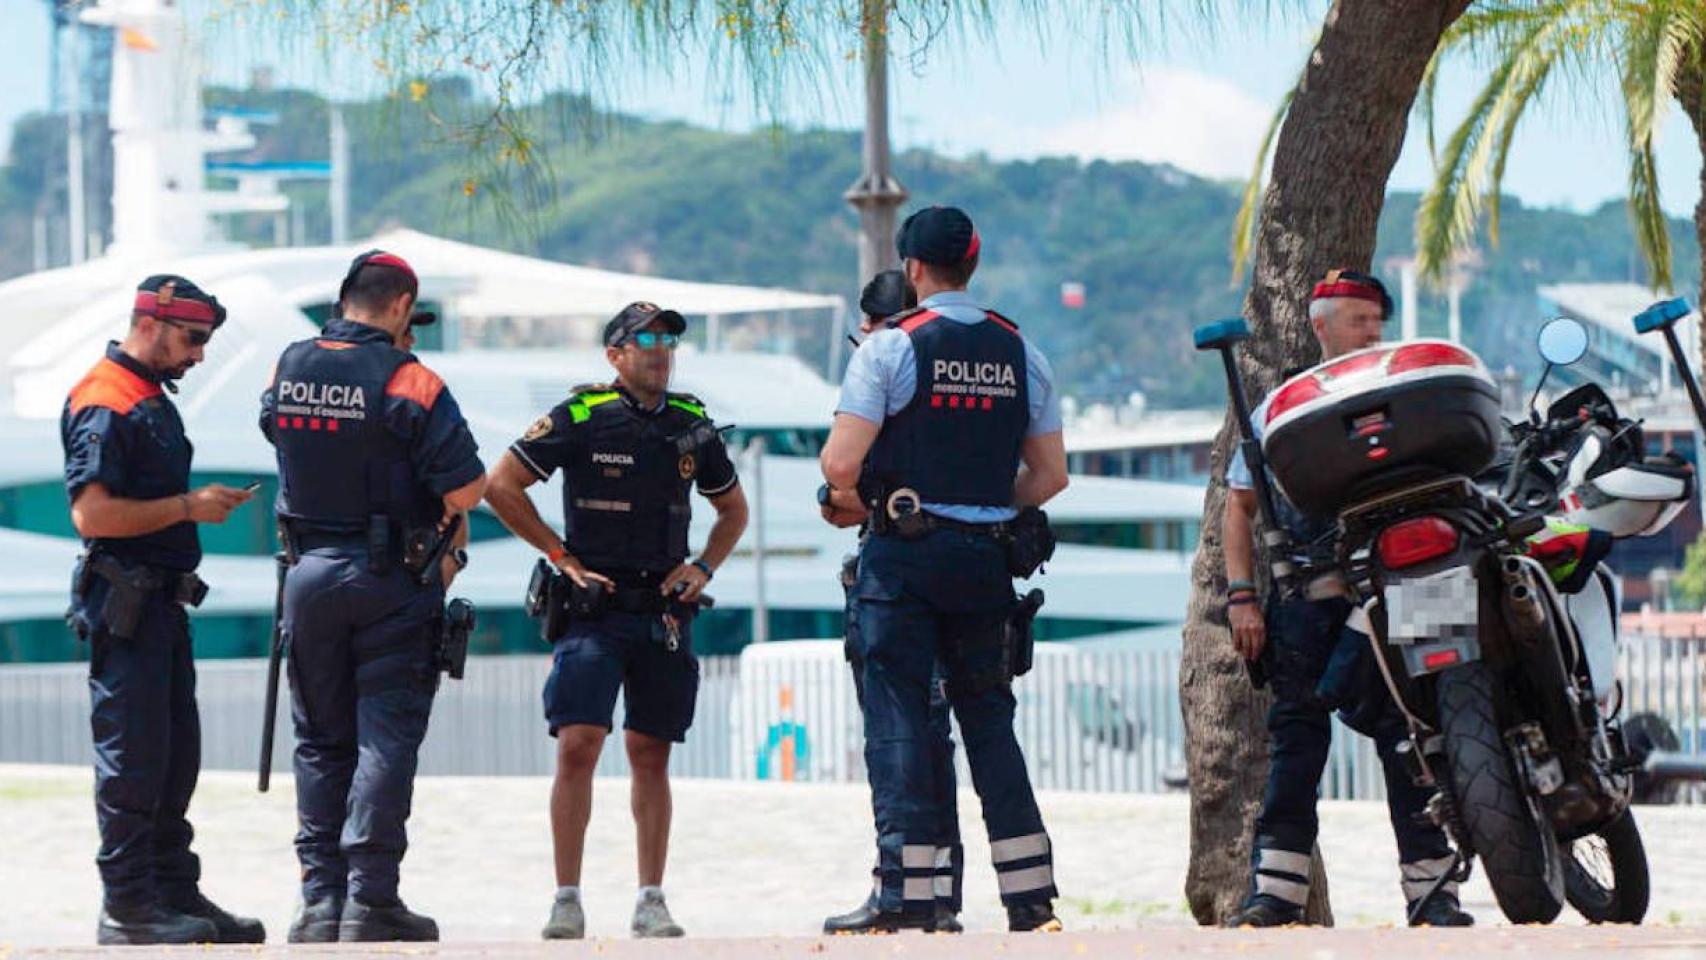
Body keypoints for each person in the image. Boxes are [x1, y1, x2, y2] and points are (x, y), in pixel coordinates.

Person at [819, 206, 1069, 933]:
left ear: (914, 270)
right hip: (986, 563)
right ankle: (1030, 898)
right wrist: (986, 504)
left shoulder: (891, 347)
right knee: (990, 721)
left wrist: (874, 493)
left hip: (905, 558)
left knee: (899, 720)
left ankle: (910, 893)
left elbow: (840, 463)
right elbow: (1049, 475)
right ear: (973, 263)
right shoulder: (1022, 350)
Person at [483, 301, 749, 941]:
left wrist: (704, 568)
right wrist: (559, 555)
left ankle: (650, 898)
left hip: (663, 613)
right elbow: (501, 486)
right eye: (647, 339)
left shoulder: (692, 425)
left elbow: (732, 512)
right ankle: (566, 898)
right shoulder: (580, 416)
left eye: (668, 341)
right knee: (578, 744)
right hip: (592, 609)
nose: (661, 350)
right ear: (615, 355)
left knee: (650, 752)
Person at [1221, 269, 1474, 928]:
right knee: (1297, 741)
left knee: (1417, 735)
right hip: (1309, 590)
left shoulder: (1405, 390)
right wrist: (1242, 597)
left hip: (1403, 588)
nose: (1372, 332)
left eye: (1376, 321)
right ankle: (1273, 896)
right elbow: (1239, 507)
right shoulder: (1280, 407)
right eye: (1360, 320)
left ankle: (1434, 893)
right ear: (1320, 324)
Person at [259, 250, 487, 943]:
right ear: (398, 306)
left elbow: (276, 431)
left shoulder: (288, 365)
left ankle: (319, 902)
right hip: (389, 578)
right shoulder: (411, 381)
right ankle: (371, 899)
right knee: (384, 738)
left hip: (306, 577)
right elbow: (467, 489)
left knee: (320, 743)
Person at [62, 274, 265, 945]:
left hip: (161, 604)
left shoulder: (147, 394)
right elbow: (91, 514)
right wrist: (188, 507)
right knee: (134, 760)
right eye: (193, 338)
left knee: (175, 756)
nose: (200, 354)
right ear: (149, 322)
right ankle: (127, 907)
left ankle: (174, 893)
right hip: (126, 603)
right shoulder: (106, 398)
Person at [822, 269, 964, 935]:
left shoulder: (879, 367)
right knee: (939, 739)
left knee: (898, 737)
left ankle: (901, 890)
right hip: (969, 572)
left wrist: (872, 498)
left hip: (896, 581)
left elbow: (838, 490)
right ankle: (939, 894)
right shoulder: (964, 361)